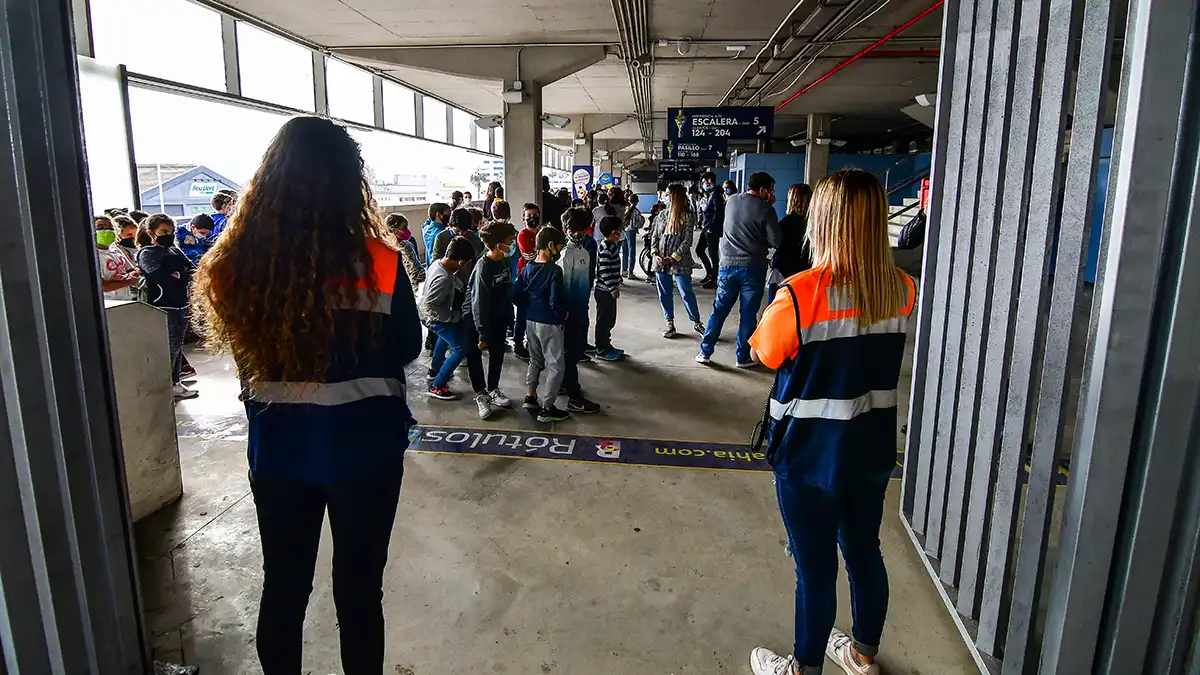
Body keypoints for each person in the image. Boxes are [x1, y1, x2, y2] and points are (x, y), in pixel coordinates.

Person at [191, 116, 422, 675]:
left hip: (278, 451)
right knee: (360, 592)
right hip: (365, 449)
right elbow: (409, 346)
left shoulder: (234, 266)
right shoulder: (379, 262)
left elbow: (242, 354)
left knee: (284, 587)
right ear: (349, 183)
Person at [746, 169, 916, 675]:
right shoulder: (902, 289)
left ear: (823, 221)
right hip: (871, 448)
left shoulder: (800, 294)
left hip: (809, 454)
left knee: (815, 569)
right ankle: (862, 655)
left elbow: (764, 352)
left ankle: (804, 668)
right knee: (864, 553)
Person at [696, 171, 781, 367]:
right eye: (771, 190)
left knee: (719, 310)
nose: (772, 194)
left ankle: (704, 352)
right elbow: (776, 240)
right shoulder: (766, 209)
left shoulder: (732, 200)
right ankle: (742, 358)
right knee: (748, 314)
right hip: (753, 268)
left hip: (727, 266)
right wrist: (768, 208)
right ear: (763, 190)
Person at [513, 226, 571, 424]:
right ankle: (547, 408)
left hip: (530, 321)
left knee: (535, 360)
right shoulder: (554, 270)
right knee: (556, 366)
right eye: (559, 247)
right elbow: (555, 301)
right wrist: (562, 315)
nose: (559, 252)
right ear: (550, 245)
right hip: (549, 323)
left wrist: (528, 307)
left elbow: (515, 293)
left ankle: (530, 396)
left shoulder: (528, 267)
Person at [136, 213, 197, 399]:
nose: (168, 235)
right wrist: (179, 274)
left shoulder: (175, 251)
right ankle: (163, 385)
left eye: (171, 231)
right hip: (162, 306)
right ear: (151, 232)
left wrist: (178, 274)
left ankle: (175, 382)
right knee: (168, 347)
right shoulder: (147, 253)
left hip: (181, 304)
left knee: (178, 346)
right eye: (163, 231)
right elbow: (160, 278)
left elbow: (192, 270)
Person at [463, 220, 519, 419]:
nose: (513, 245)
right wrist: (482, 333)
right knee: (474, 355)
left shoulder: (504, 261)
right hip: (476, 318)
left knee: (497, 353)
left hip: (496, 314)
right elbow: (479, 303)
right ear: (498, 244)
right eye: (510, 241)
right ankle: (481, 394)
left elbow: (506, 290)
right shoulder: (483, 267)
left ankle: (493, 389)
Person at [421, 236, 477, 401]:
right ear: (461, 262)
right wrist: (455, 316)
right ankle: (437, 385)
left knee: (444, 338)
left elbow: (452, 280)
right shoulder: (443, 278)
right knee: (460, 348)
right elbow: (430, 306)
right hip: (433, 317)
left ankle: (435, 369)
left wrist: (462, 286)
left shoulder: (439, 263)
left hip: (434, 315)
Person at [558, 211, 603, 413]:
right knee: (569, 352)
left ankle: (564, 383)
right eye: (572, 230)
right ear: (565, 230)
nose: (577, 234)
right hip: (568, 313)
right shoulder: (563, 255)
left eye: (581, 230)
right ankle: (574, 397)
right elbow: (563, 289)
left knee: (574, 351)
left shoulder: (585, 252)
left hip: (581, 308)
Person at [651, 185, 704, 338]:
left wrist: (673, 257)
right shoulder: (662, 215)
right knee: (664, 293)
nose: (666, 197)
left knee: (686, 292)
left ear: (675, 196)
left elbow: (687, 241)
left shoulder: (687, 216)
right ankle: (670, 323)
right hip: (661, 261)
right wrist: (655, 253)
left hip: (680, 261)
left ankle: (697, 322)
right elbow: (655, 236)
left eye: (668, 194)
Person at [769, 184, 814, 304]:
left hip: (782, 271)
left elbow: (773, 242)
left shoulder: (785, 224)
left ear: (792, 200)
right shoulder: (814, 225)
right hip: (806, 271)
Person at [592, 216, 625, 361]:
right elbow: (604, 270)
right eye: (619, 230)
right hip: (604, 291)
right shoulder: (606, 247)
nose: (621, 232)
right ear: (613, 232)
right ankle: (601, 349)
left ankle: (607, 344)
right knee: (604, 321)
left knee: (610, 319)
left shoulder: (612, 246)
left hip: (609, 291)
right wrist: (612, 288)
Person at [513, 203, 542, 360]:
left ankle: (533, 343)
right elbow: (529, 256)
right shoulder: (523, 235)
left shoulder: (542, 232)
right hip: (526, 279)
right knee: (522, 314)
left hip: (540, 278)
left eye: (535, 215)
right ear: (523, 218)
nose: (532, 218)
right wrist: (544, 253)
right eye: (529, 216)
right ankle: (518, 344)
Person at [95, 215, 140, 301]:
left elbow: (134, 271)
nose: (107, 230)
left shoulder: (116, 250)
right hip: (109, 302)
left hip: (126, 300)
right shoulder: (93, 256)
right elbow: (102, 286)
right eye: (101, 228)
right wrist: (129, 281)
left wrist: (127, 276)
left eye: (111, 228)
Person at [697, 171, 724, 288]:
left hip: (711, 229)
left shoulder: (716, 194)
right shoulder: (711, 193)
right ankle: (710, 273)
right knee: (699, 250)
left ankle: (714, 279)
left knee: (713, 255)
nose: (703, 185)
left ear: (709, 181)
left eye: (704, 182)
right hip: (706, 227)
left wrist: (712, 228)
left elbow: (718, 213)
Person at [386, 213, 425, 289]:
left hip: (415, 280)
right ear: (394, 230)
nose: (407, 231)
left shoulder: (408, 244)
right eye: (404, 228)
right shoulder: (389, 249)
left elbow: (415, 264)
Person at [621, 195, 645, 279]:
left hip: (624, 231)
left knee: (625, 251)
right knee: (632, 252)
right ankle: (630, 272)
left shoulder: (625, 209)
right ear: (637, 202)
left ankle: (624, 270)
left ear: (628, 201)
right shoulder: (636, 212)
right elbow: (638, 224)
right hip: (631, 232)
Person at [421, 202, 452, 268]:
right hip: (440, 268)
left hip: (430, 268)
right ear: (438, 214)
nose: (450, 218)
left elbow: (427, 222)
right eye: (448, 215)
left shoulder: (426, 228)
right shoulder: (442, 234)